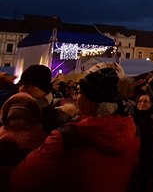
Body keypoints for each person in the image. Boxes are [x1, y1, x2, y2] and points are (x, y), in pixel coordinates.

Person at [10, 67, 140, 192]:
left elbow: (22, 178)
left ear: (90, 99)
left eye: (80, 92)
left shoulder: (68, 135)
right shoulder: (133, 130)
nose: (77, 97)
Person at [17, 65, 71, 132]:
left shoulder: (58, 119)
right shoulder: (11, 108)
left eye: (29, 85)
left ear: (43, 89)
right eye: (20, 85)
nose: (22, 89)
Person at [0, 93, 46, 165]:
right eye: (13, 118)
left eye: (21, 118)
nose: (17, 121)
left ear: (30, 119)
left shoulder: (35, 132)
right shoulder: (3, 130)